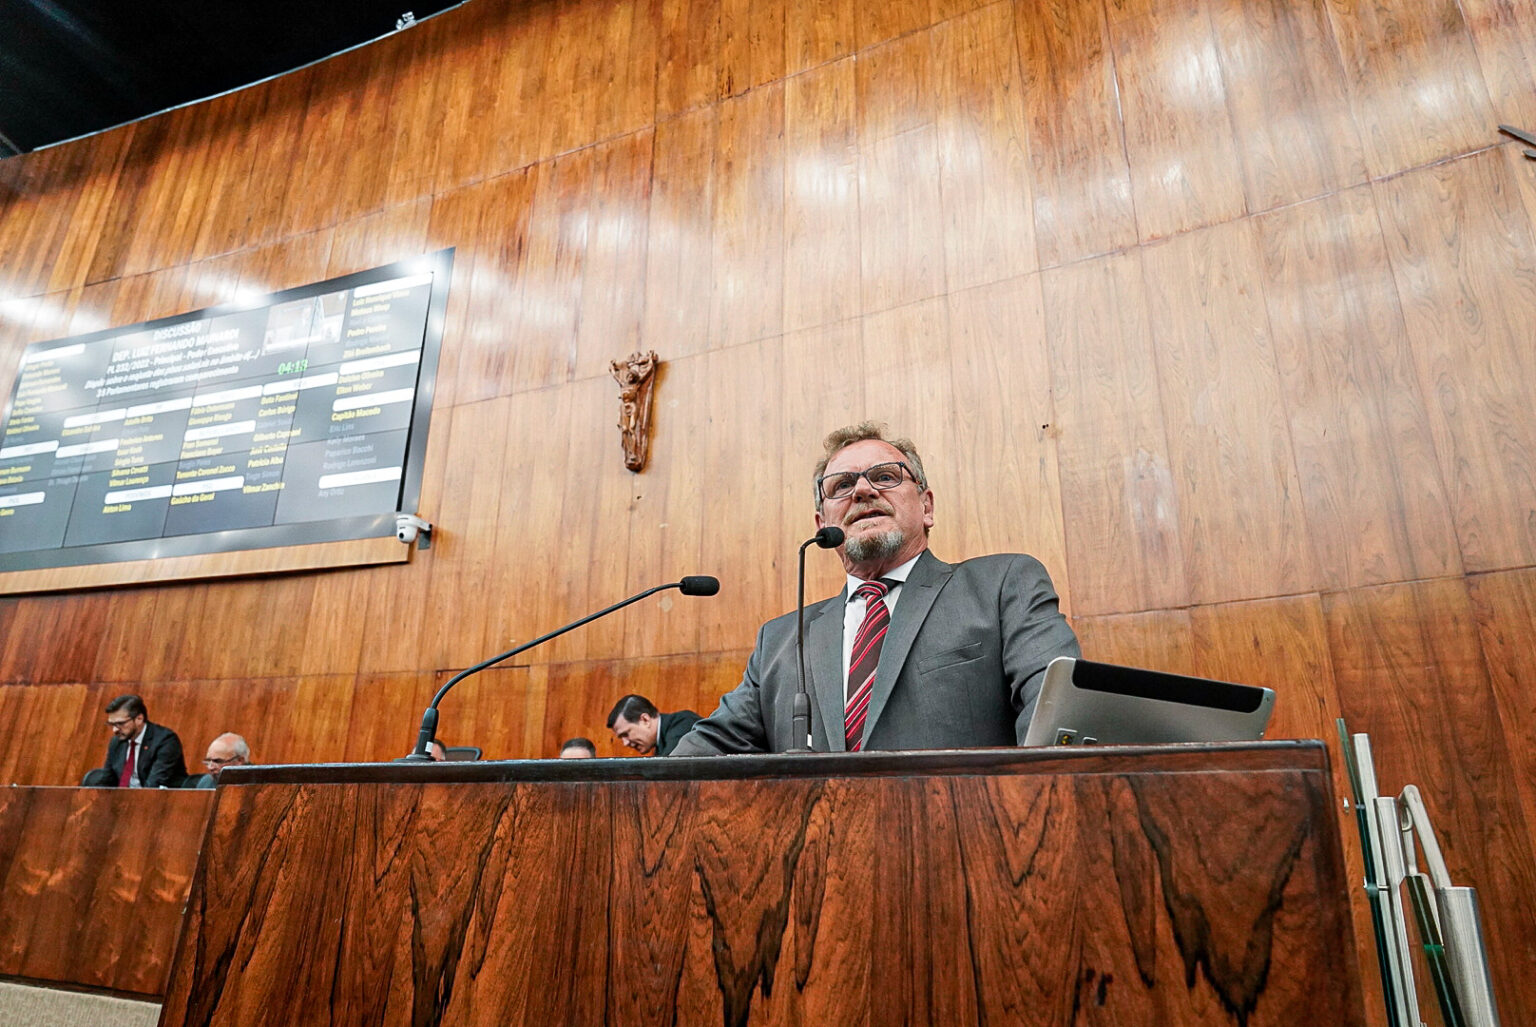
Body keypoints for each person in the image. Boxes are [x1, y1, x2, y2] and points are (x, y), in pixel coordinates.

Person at [670, 423, 1080, 755]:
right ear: (821, 524)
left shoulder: (1001, 586)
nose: (863, 491)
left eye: (885, 477)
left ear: (927, 506)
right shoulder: (780, 640)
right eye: (842, 485)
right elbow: (708, 751)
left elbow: (1059, 715)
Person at [85, 695, 189, 788]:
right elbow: (107, 780)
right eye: (112, 724)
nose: (115, 730)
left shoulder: (165, 741)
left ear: (139, 719)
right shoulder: (117, 742)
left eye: (120, 724)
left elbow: (154, 786)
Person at [606, 695, 701, 756]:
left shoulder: (683, 722)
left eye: (626, 734)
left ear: (645, 720)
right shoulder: (661, 743)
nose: (625, 743)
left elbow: (669, 768)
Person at [186, 732, 250, 788]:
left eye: (218, 761)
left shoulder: (257, 784)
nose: (210, 767)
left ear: (239, 761)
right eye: (208, 761)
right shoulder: (205, 783)